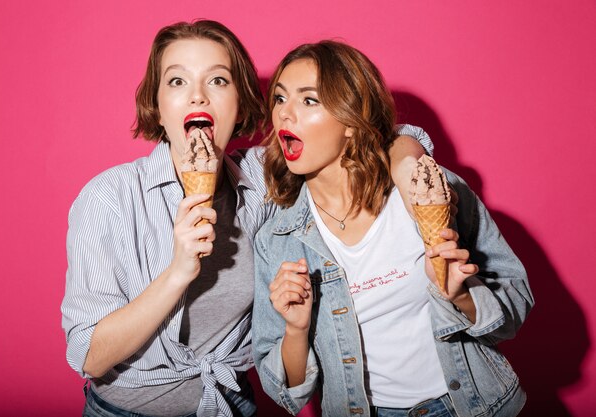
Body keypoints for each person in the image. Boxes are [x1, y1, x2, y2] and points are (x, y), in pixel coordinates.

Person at [61, 21, 433, 417]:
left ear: (240, 103)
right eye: (177, 82)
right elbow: (89, 357)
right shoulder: (110, 198)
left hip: (232, 405)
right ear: (157, 105)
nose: (197, 96)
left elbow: (380, 136)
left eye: (218, 80)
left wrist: (408, 166)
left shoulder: (261, 179)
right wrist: (177, 273)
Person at [252, 40, 534, 417]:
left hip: (474, 405)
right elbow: (287, 394)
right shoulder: (277, 242)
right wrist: (296, 330)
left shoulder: (429, 190)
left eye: (308, 101)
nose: (285, 114)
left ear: (351, 122)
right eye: (280, 99)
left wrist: (463, 295)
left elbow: (516, 301)